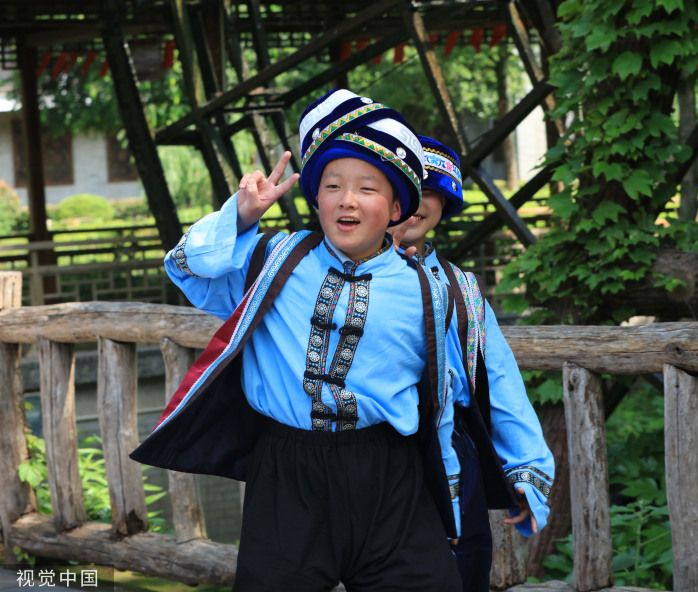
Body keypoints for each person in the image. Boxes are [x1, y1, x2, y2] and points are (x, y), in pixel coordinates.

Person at [131, 91, 463, 591]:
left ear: (397, 208)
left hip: (390, 478)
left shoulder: (426, 290)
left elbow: (439, 402)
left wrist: (449, 498)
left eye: (367, 188)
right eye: (332, 186)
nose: (347, 199)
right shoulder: (274, 259)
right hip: (288, 476)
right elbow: (185, 267)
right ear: (316, 199)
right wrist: (241, 217)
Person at [391, 135, 555, 591]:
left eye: (428, 191)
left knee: (462, 571)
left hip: (453, 457)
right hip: (379, 453)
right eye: (403, 187)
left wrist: (525, 468)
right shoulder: (344, 276)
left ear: (445, 202)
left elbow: (499, 378)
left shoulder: (462, 288)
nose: (414, 202)